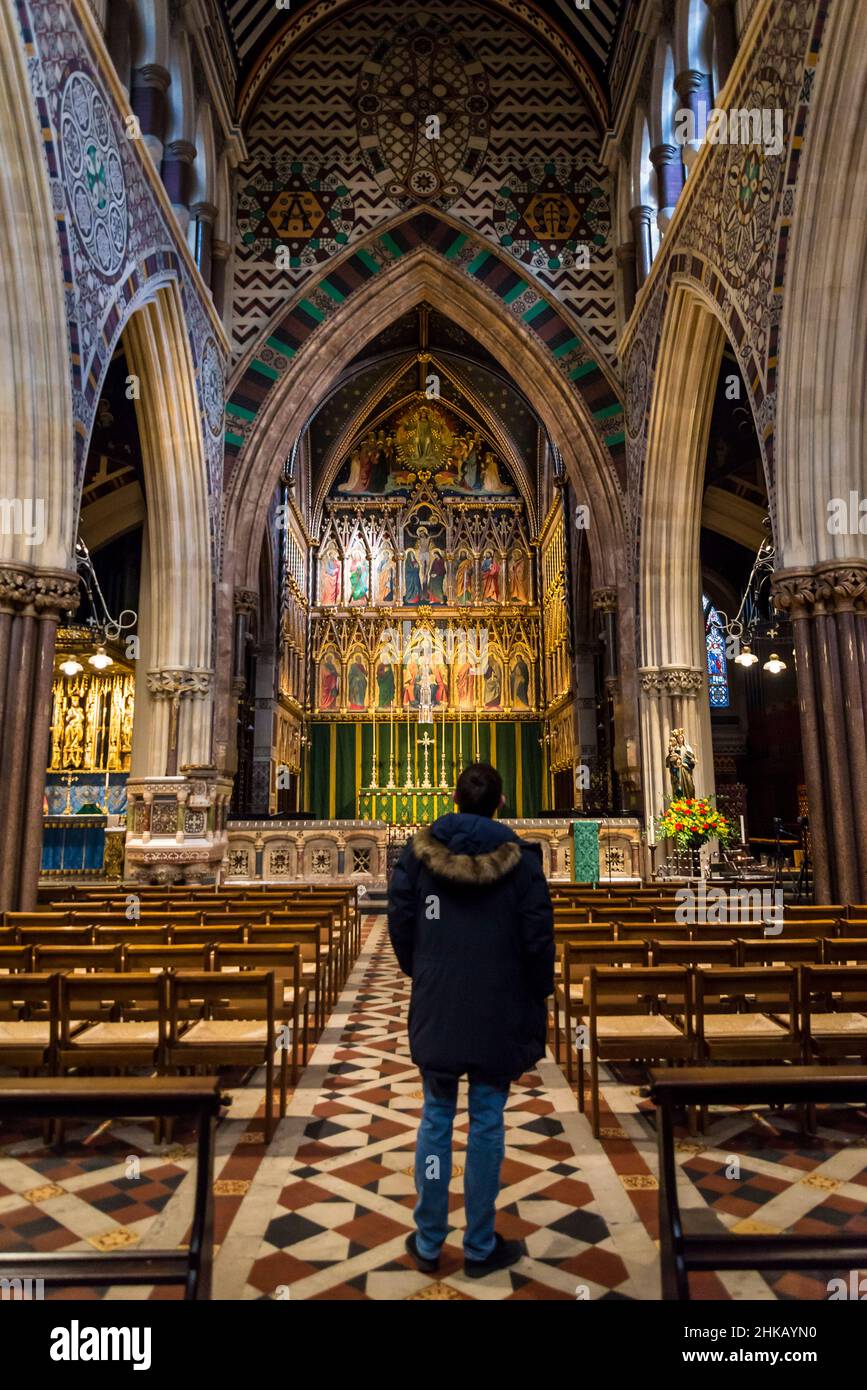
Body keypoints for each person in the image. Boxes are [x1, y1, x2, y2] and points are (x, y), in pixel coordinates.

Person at [387, 762, 554, 1279]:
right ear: (500, 804)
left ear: (454, 800)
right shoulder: (522, 860)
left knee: (436, 1118)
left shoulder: (419, 855)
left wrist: (425, 969)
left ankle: (430, 1240)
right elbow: (537, 937)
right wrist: (536, 991)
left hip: (439, 1002)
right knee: (487, 1121)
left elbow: (401, 920)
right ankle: (480, 1245)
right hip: (498, 1003)